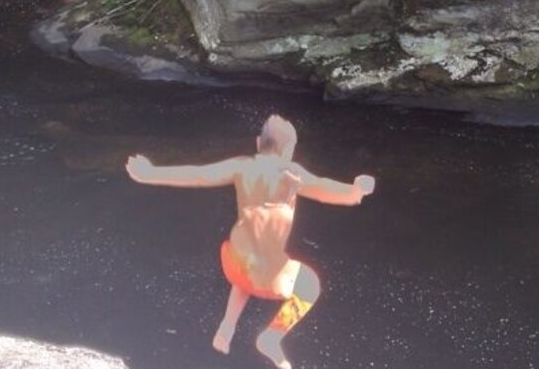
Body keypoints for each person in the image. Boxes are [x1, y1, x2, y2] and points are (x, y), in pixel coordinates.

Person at [124, 115, 376, 369]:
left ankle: (227, 325)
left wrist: (149, 173)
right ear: (289, 151)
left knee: (249, 258)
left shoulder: (242, 166)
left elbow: (198, 174)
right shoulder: (291, 174)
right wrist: (355, 191)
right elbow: (324, 189)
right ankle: (271, 337)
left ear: (258, 143)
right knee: (309, 285)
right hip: (267, 278)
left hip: (234, 264)